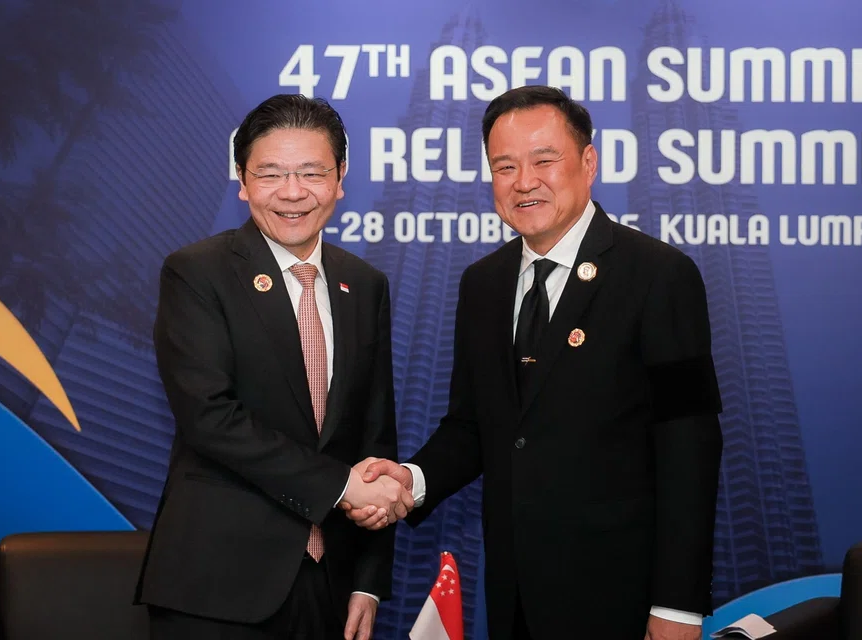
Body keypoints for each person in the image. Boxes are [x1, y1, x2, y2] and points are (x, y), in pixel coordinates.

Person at [345, 86, 723, 640]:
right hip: (515, 596)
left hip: (622, 599)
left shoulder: (659, 276)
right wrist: (412, 479)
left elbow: (690, 446)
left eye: (545, 160)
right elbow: (475, 425)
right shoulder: (484, 285)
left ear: (588, 162)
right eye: (505, 166)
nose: (524, 181)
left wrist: (678, 608)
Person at [134, 94, 413, 640]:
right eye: (270, 174)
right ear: (242, 180)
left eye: (312, 173)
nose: (292, 192)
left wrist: (368, 580)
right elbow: (209, 417)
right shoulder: (198, 273)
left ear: (340, 178)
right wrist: (341, 487)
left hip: (330, 588)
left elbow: (375, 437)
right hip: (217, 584)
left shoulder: (365, 285)